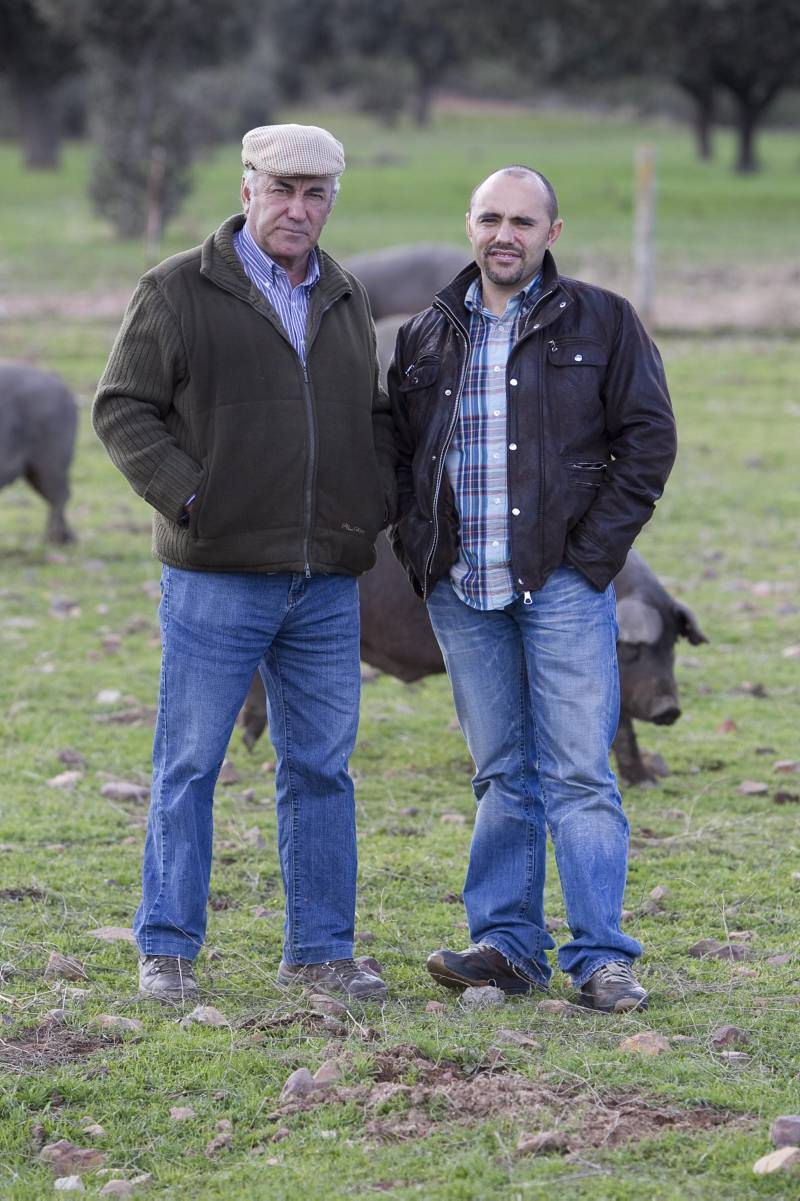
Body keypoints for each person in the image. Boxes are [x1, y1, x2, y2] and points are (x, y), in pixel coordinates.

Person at [93, 124, 395, 1004]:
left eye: (316, 195)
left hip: (324, 582)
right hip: (216, 574)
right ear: (247, 185)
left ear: (332, 199)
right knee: (189, 762)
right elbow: (122, 408)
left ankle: (320, 954)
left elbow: (372, 418)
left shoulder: (345, 294)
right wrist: (194, 499)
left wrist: (364, 503)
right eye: (282, 190)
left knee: (321, 769)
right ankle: (167, 948)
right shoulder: (177, 288)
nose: (298, 210)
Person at [388, 166, 677, 1012]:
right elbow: (400, 454)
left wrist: (590, 558)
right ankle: (509, 946)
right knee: (501, 771)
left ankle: (602, 957)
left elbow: (648, 442)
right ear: (468, 227)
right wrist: (420, 547)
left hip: (560, 585)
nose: (503, 233)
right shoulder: (427, 333)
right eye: (489, 218)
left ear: (553, 232)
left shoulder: (604, 321)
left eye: (523, 219)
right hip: (462, 587)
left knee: (581, 770)